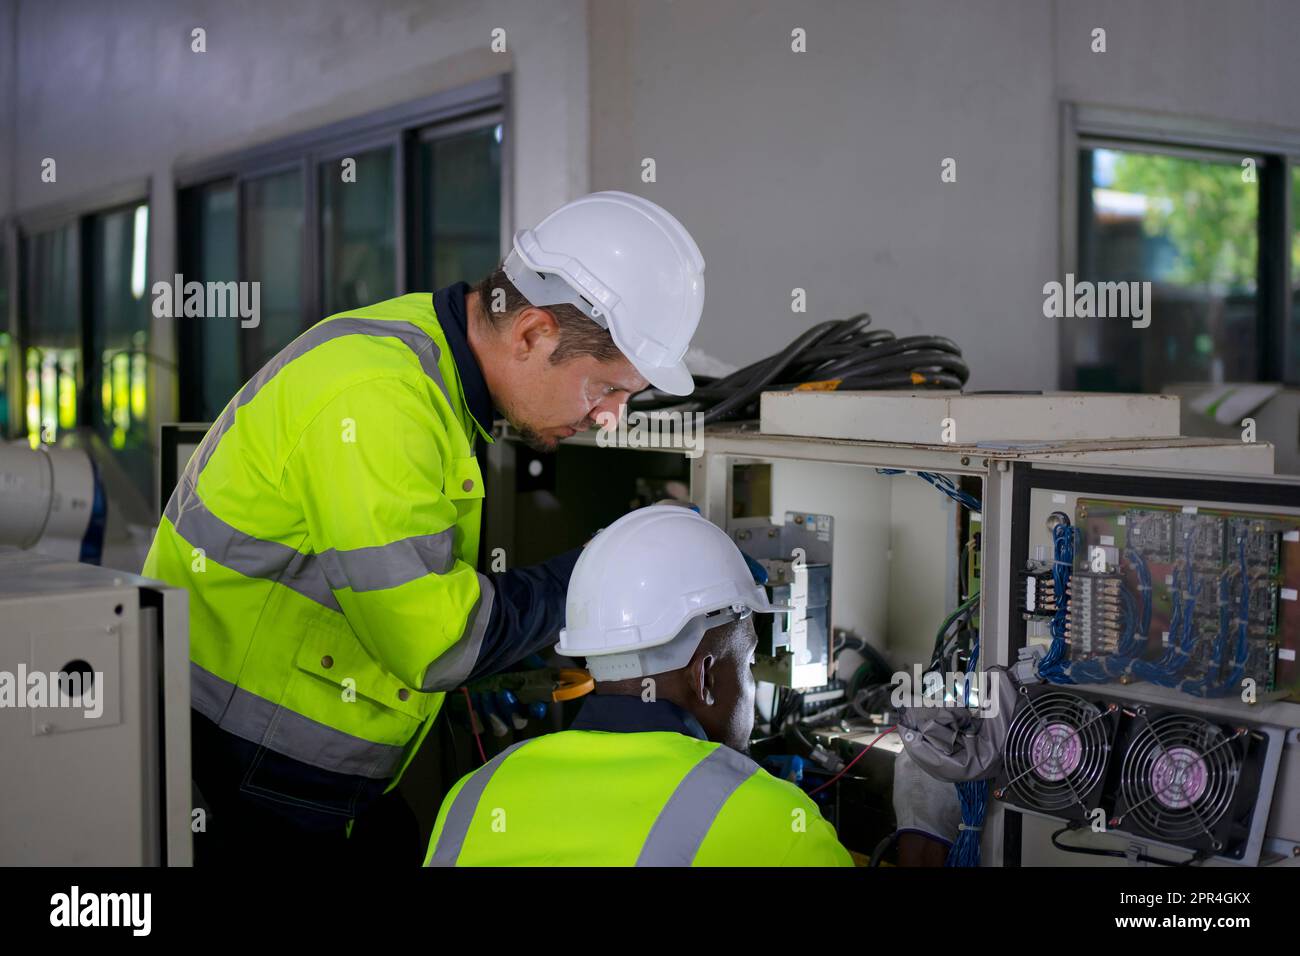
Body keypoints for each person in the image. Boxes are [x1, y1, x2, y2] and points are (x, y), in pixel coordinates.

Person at [143, 191, 707, 862]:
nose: (610, 416)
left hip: (297, 768)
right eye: (605, 388)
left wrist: (494, 657)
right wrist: (593, 575)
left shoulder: (428, 361)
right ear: (531, 334)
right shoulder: (378, 398)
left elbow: (391, 585)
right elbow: (434, 644)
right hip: (244, 774)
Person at [424, 505, 854, 866]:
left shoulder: (475, 793)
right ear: (703, 676)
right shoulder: (779, 826)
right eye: (748, 661)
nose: (750, 679)